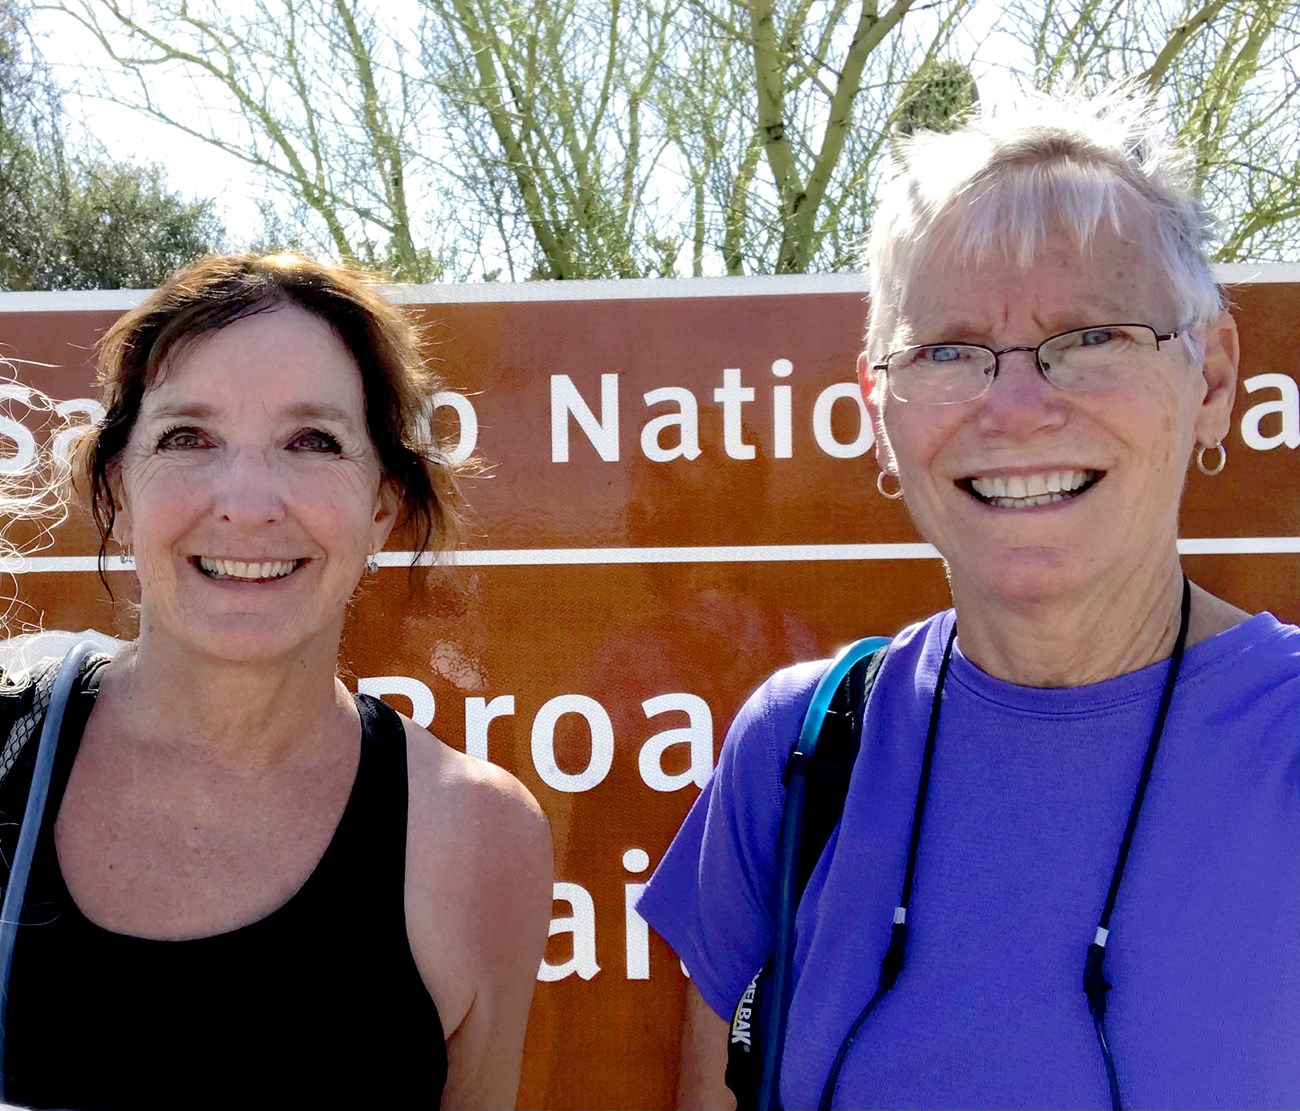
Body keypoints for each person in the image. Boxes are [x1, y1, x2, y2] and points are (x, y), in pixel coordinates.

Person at [638, 88, 1300, 1109]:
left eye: (1090, 335)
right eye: (946, 350)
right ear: (878, 411)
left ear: (1210, 377)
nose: (1018, 406)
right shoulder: (802, 754)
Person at [0, 253, 554, 1110]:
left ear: (383, 504)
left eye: (313, 441)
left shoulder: (480, 842)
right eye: (189, 436)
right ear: (119, 483)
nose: (248, 501)